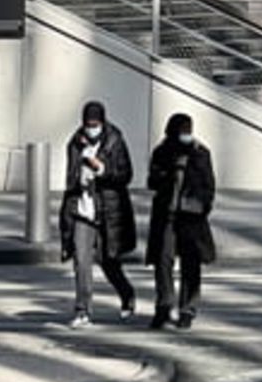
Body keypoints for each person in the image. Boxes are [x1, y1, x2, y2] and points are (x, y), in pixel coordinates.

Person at [61, 100, 137, 327]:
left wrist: (101, 170)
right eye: (87, 124)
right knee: (82, 260)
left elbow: (125, 175)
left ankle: (126, 294)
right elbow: (70, 176)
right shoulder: (75, 143)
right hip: (82, 209)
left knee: (109, 261)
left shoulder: (115, 141)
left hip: (107, 209)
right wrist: (78, 178)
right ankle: (83, 310)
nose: (91, 128)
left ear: (102, 122)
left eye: (95, 124)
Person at [145, 111, 217, 327]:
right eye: (181, 130)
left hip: (191, 215)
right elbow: (152, 181)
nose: (185, 135)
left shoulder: (200, 153)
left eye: (188, 130)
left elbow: (209, 184)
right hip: (167, 214)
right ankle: (164, 305)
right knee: (163, 260)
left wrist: (202, 206)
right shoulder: (162, 152)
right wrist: (166, 174)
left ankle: (187, 309)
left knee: (191, 262)